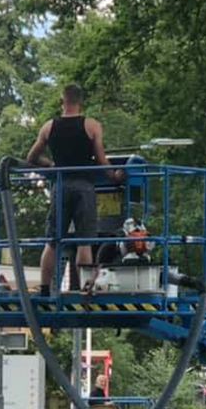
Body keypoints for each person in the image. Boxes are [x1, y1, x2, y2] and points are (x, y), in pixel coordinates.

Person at [25, 83, 123, 295]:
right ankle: (83, 287)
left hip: (60, 185)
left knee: (52, 241)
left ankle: (44, 289)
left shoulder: (48, 127)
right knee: (84, 241)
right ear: (81, 102)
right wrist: (114, 176)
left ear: (63, 101)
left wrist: (50, 165)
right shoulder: (92, 126)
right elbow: (101, 159)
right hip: (84, 186)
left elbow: (31, 157)